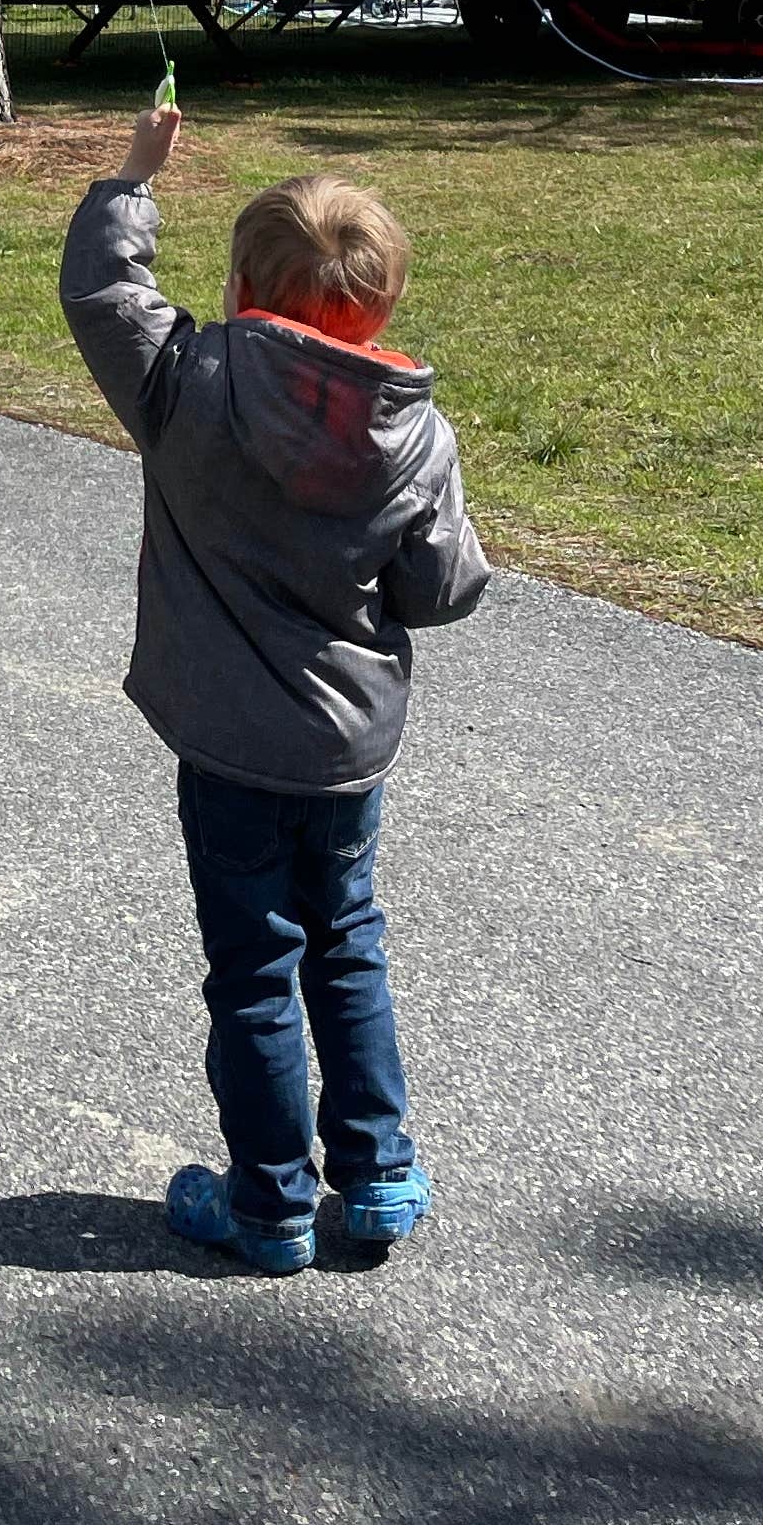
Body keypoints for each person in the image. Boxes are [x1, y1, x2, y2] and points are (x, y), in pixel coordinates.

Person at [59, 104, 489, 1273]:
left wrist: (136, 176)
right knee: (346, 941)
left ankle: (272, 1203)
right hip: (348, 747)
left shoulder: (188, 381)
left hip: (229, 750)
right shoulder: (418, 433)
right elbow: (443, 588)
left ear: (244, 285)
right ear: (384, 301)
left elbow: (104, 292)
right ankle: (382, 1173)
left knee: (254, 969)